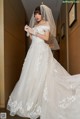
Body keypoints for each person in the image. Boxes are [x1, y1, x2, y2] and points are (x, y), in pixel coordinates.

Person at [7, 5, 80, 119]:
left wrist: (34, 32)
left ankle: (42, 102)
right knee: (31, 75)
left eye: (38, 13)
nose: (36, 16)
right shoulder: (35, 25)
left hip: (42, 51)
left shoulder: (46, 24)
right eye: (35, 14)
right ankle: (32, 101)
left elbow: (46, 38)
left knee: (43, 74)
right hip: (33, 51)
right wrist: (29, 32)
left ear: (43, 14)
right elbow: (33, 39)